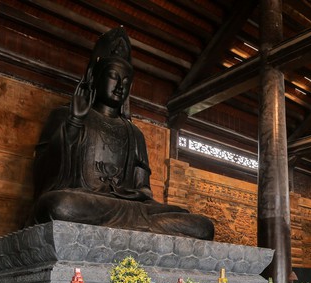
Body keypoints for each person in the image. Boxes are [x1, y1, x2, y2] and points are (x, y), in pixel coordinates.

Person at [31, 27, 214, 240]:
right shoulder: (65, 115)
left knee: (202, 226)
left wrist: (136, 194)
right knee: (58, 205)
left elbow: (144, 190)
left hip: (128, 207)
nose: (120, 86)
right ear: (95, 76)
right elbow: (43, 175)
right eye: (113, 77)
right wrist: (74, 121)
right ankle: (142, 230)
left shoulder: (134, 133)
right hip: (88, 203)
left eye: (126, 82)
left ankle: (133, 228)